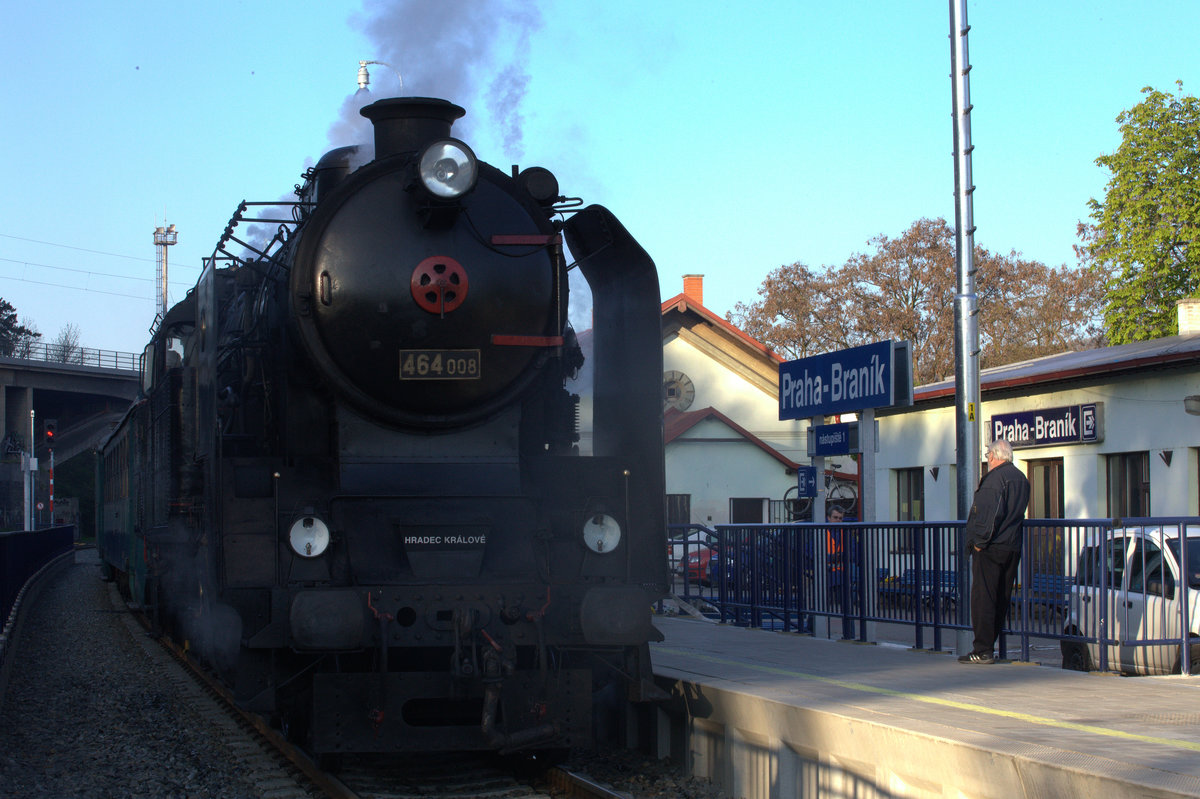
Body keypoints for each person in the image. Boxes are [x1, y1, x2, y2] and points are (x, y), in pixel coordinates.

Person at [960, 438, 1030, 664]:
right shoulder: (1021, 478)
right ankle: (989, 646)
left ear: (993, 456)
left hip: (991, 548)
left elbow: (990, 514)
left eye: (988, 455)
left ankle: (982, 649)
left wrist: (979, 542)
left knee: (984, 598)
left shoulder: (994, 480)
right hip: (1012, 546)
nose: (987, 459)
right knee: (1001, 597)